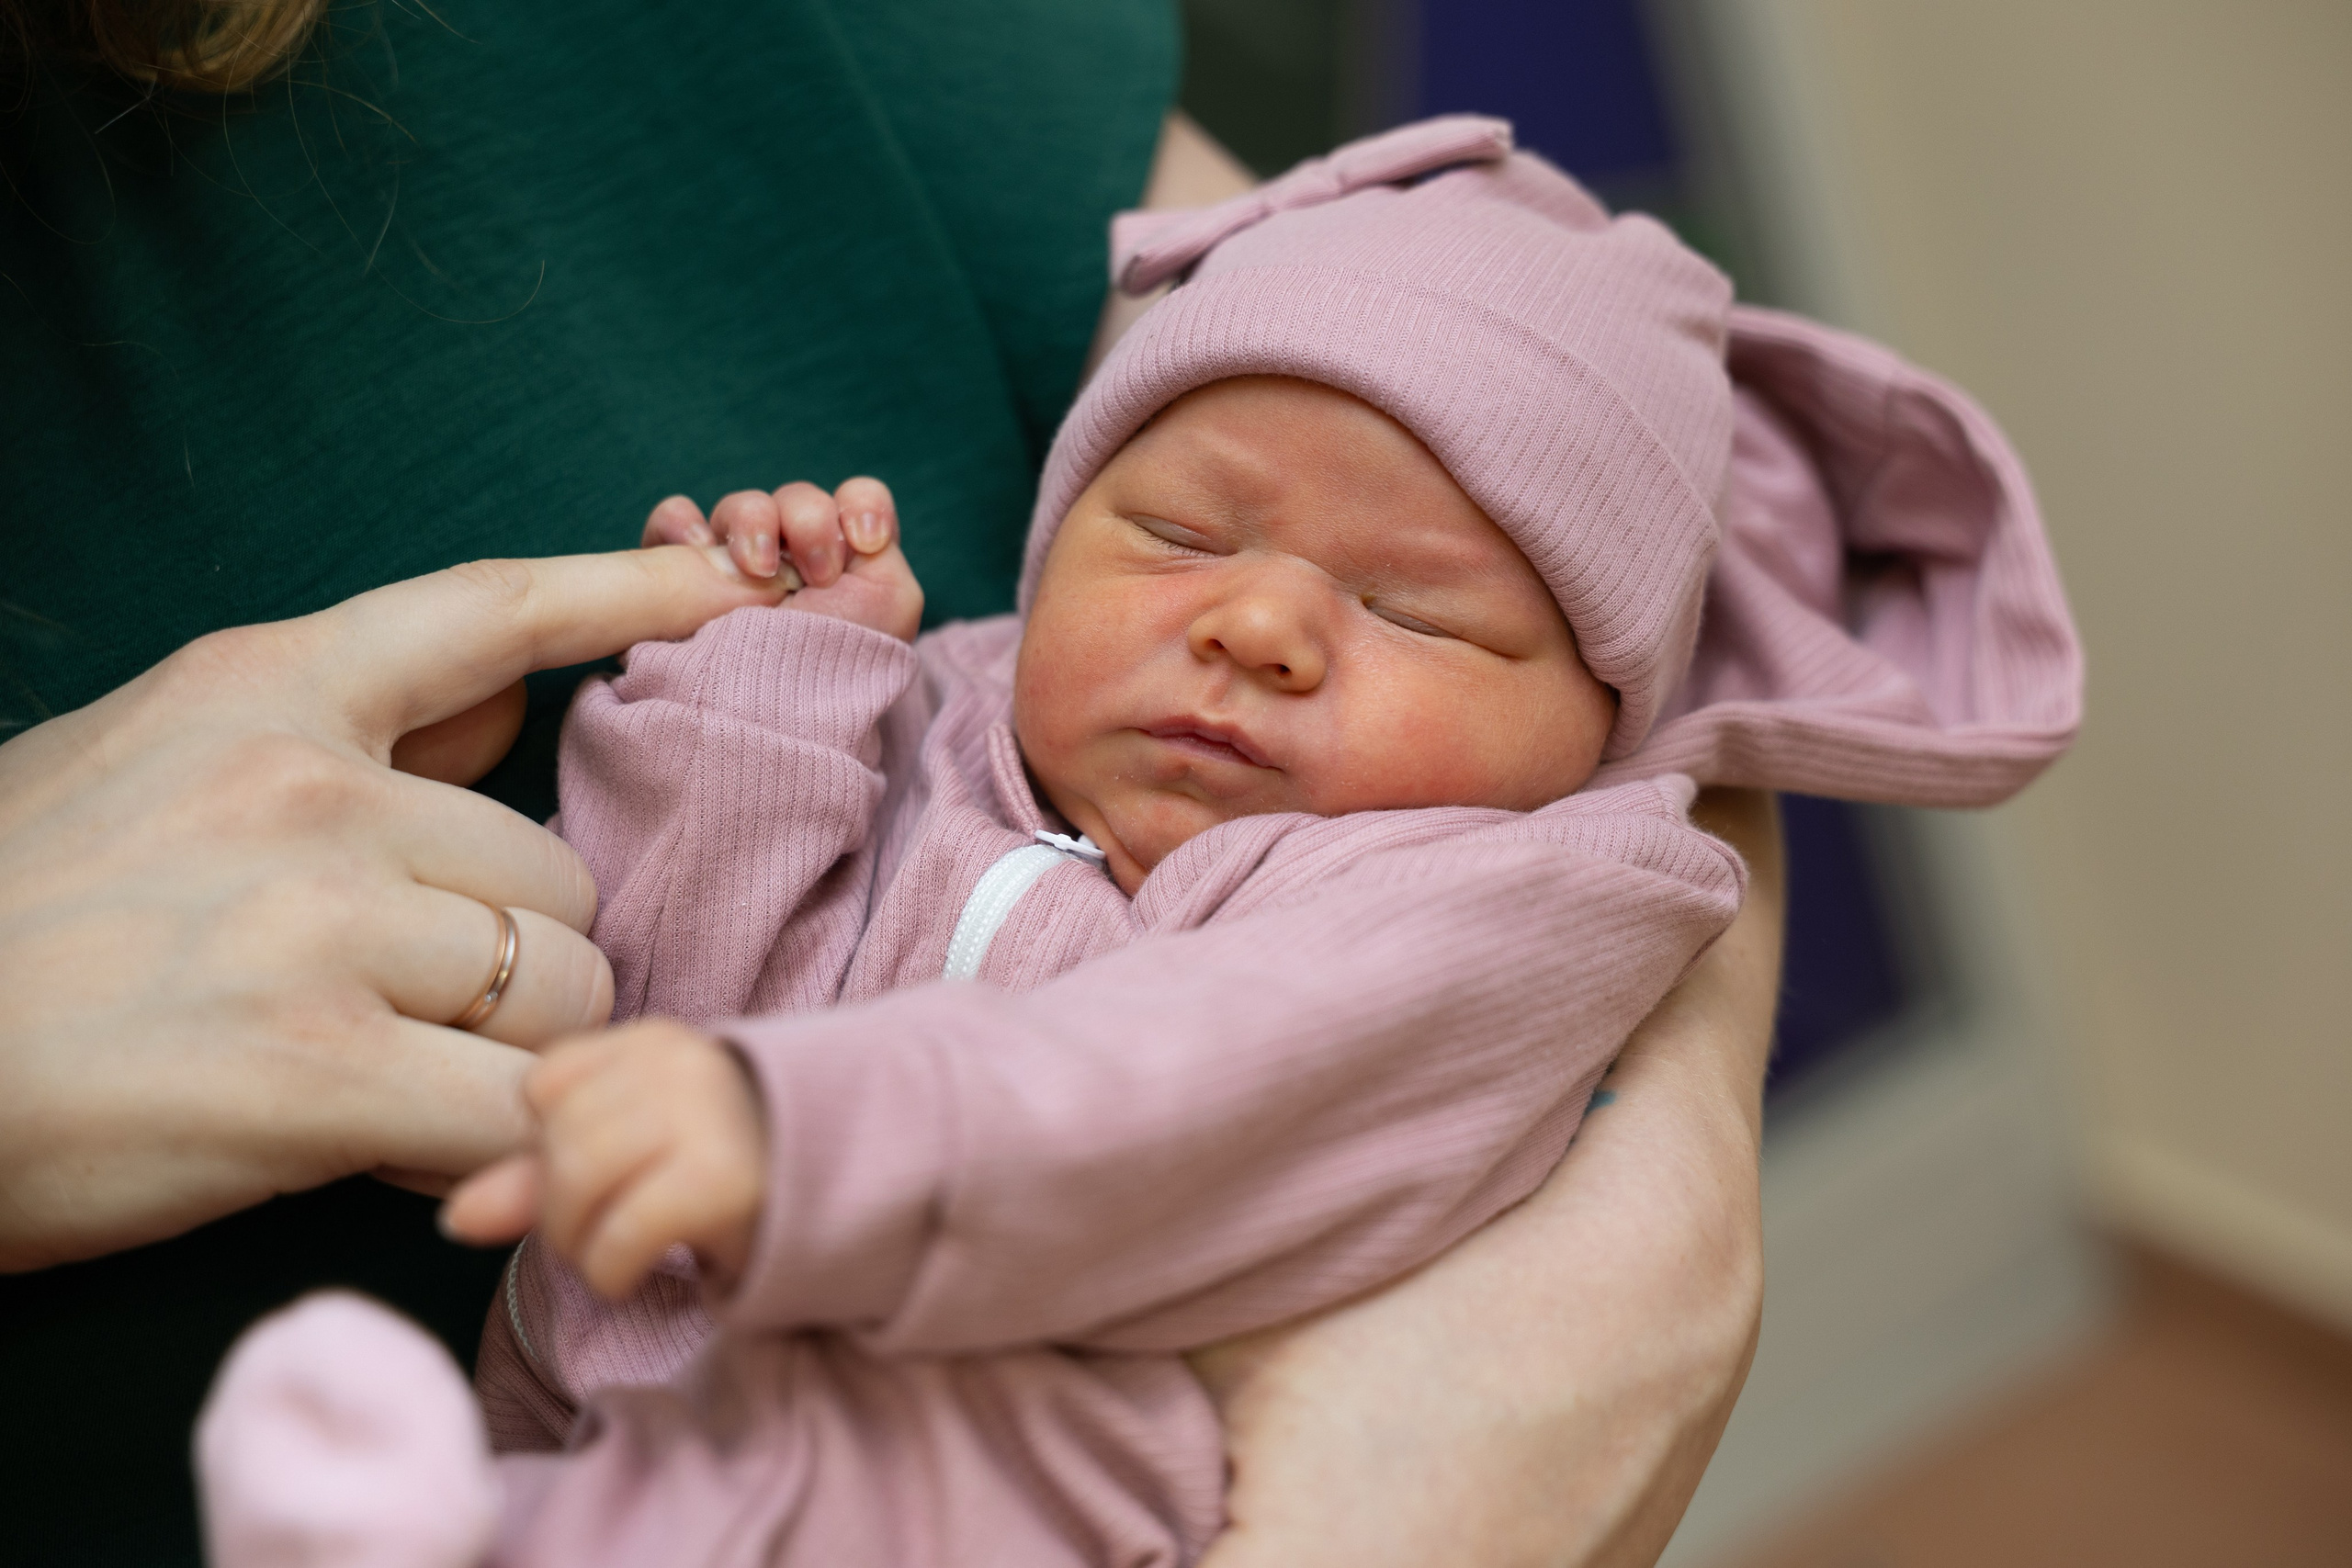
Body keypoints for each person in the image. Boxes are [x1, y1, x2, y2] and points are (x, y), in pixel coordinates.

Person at [0, 7, 1784, 1564]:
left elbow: (1202, 1078)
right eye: (1175, 531)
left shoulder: (1502, 893)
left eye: (1414, 611)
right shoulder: (950, 715)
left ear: (1602, 719)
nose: (1254, 623)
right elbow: (662, 977)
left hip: (1022, 1485)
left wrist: (809, 1135)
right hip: (622, 1419)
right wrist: (765, 684)